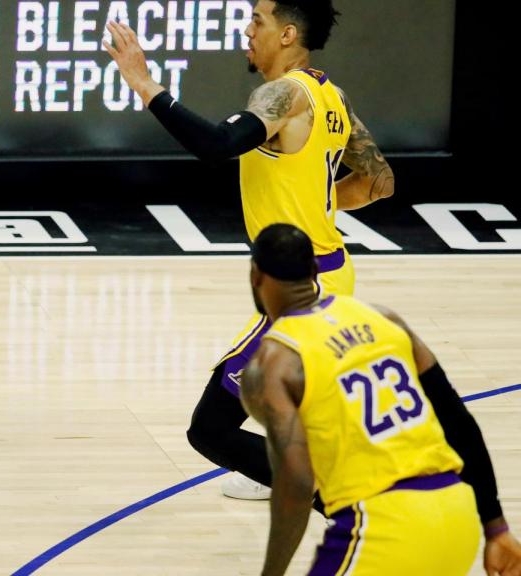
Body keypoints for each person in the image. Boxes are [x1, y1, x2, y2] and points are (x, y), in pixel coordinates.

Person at [105, 0, 394, 499]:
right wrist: (316, 203)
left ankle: (338, 491)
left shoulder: (283, 94)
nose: (246, 29)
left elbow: (218, 144)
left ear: (286, 34)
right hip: (332, 272)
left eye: (256, 21)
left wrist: (144, 84)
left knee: (209, 430)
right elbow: (379, 182)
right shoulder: (331, 96)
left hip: (304, 292)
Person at [240, 223, 521, 576]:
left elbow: (296, 484)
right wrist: (496, 527)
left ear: (255, 274)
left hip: (380, 526)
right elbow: (458, 421)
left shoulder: (272, 364)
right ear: (314, 271)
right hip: (458, 514)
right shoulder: (384, 318)